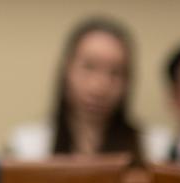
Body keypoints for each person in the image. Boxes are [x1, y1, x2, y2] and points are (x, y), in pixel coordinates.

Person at [7, 17, 142, 161]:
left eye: (115, 73)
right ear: (67, 70)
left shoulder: (155, 148)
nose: (100, 86)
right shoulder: (26, 146)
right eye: (89, 67)